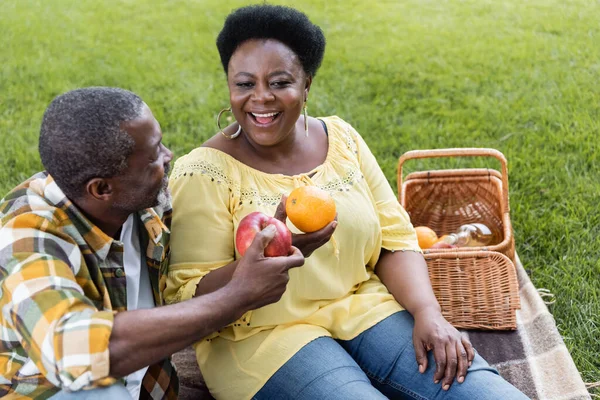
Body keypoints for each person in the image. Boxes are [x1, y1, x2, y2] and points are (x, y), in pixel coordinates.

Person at [165, 5, 529, 400]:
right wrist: (253, 271)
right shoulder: (202, 172)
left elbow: (395, 238)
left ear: (307, 86)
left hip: (362, 308)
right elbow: (187, 294)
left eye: (280, 82)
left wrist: (429, 313)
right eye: (244, 84)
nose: (261, 98)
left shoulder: (342, 139)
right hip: (260, 338)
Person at [0, 87, 304, 400]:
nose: (169, 156)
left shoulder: (146, 205)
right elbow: (71, 349)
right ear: (102, 188)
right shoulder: (26, 234)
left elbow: (205, 263)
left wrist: (275, 245)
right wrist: (236, 298)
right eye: (154, 155)